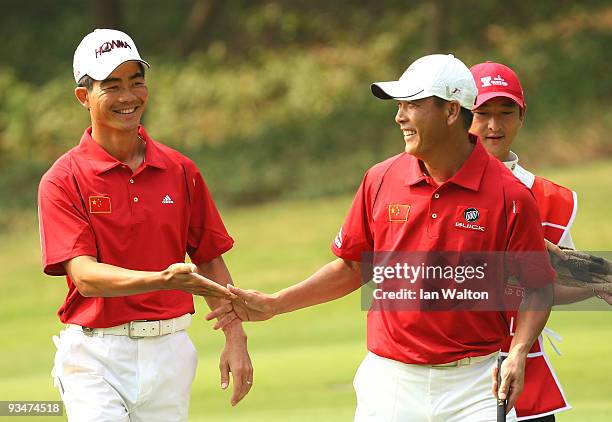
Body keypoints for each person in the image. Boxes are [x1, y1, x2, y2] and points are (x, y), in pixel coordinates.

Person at [208, 54, 555, 421]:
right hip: (390, 383)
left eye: (412, 105)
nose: (399, 116)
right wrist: (276, 303)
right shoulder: (380, 179)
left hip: (475, 386)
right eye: (400, 105)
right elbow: (353, 267)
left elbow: (537, 286)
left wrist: (518, 350)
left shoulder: (510, 196)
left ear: (452, 112)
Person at [37, 29, 252, 422]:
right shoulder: (62, 179)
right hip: (95, 356)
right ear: (83, 97)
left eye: (136, 82)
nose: (128, 96)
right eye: (112, 85)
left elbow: (209, 259)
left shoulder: (180, 170)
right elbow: (85, 276)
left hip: (170, 351)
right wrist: (162, 280)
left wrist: (235, 337)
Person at [469, 61, 612, 421]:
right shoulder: (434, 189)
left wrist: (598, 284)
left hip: (523, 368)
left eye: (506, 112)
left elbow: (547, 283)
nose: (494, 125)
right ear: (456, 115)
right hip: (452, 369)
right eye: (481, 112)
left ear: (522, 115)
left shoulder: (552, 199)